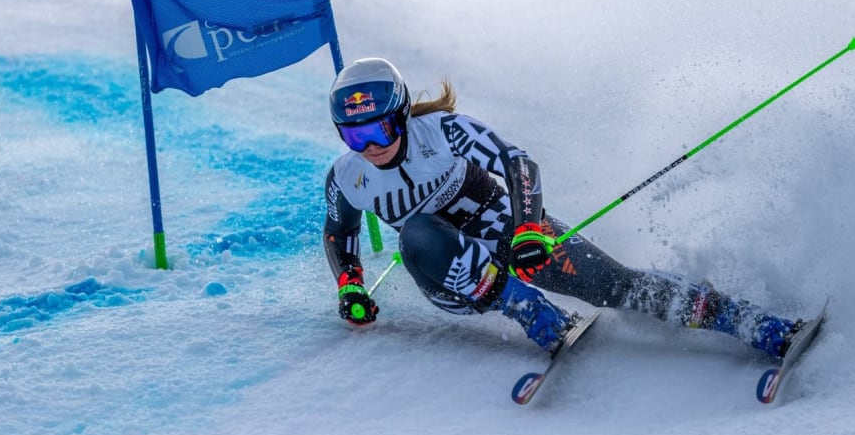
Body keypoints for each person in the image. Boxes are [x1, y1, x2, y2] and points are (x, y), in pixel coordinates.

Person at [322, 57, 802, 357]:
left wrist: (530, 228)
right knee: (418, 234)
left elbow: (517, 164)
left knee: (612, 284)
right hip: (452, 280)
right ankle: (527, 308)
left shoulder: (445, 131)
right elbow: (339, 235)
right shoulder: (348, 177)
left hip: (505, 229)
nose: (369, 146)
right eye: (353, 135)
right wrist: (351, 288)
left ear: (402, 115)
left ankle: (740, 319)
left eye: (379, 130)